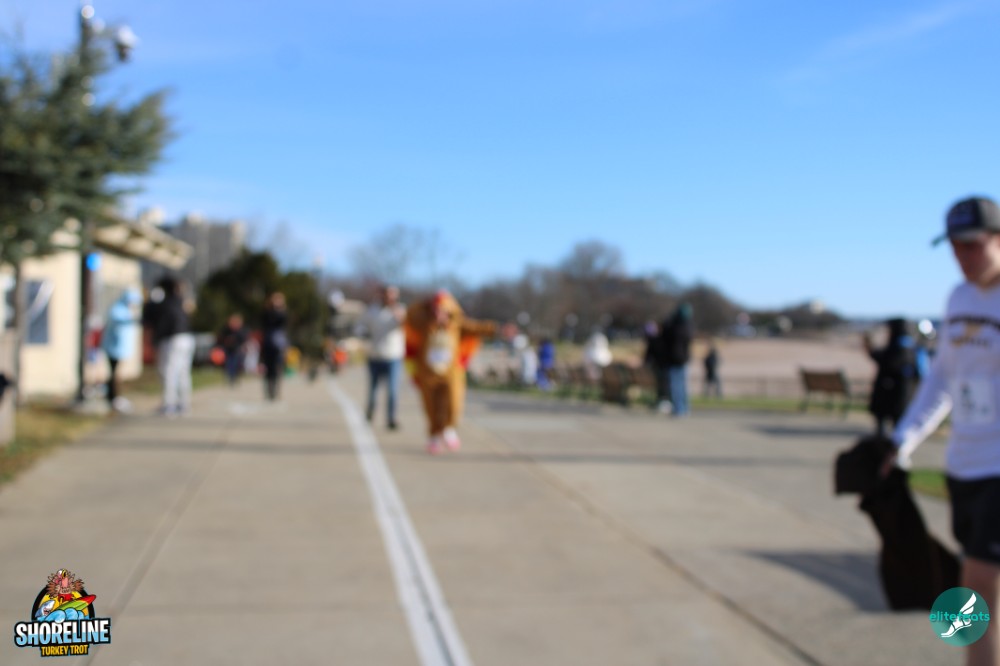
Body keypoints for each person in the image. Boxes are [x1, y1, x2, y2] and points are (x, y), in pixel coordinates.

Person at [885, 196, 1000, 666]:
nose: (962, 256)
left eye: (973, 245)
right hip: (963, 464)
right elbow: (941, 380)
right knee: (977, 585)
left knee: (975, 587)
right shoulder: (958, 298)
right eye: (954, 246)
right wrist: (903, 440)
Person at [404, 290, 496, 454]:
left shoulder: (457, 324)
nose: (438, 313)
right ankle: (434, 436)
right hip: (428, 374)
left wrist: (497, 329)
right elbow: (409, 316)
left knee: (454, 404)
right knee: (431, 407)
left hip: (451, 373)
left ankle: (449, 429)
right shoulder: (423, 323)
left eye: (442, 310)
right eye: (435, 309)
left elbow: (478, 328)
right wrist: (425, 303)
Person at [863, 318, 924, 436]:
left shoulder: (899, 347)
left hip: (891, 394)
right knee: (896, 427)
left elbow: (886, 361)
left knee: (889, 430)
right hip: (903, 395)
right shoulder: (911, 347)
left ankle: (887, 443)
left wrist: (869, 346)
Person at [144, 276, 195, 416]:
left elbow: (149, 319)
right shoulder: (180, 301)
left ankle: (169, 405)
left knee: (169, 372)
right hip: (187, 339)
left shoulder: (163, 303)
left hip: (172, 339)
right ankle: (183, 404)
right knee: (183, 372)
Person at [358, 284, 406, 430]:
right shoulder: (373, 311)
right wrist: (363, 333)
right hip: (375, 355)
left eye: (393, 295)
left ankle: (391, 418)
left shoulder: (400, 310)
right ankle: (370, 412)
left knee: (392, 391)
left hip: (393, 356)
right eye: (387, 294)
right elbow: (361, 325)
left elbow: (404, 324)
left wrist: (395, 310)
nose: (389, 297)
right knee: (373, 390)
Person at [101, 288, 142, 413]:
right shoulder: (117, 309)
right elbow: (119, 321)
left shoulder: (126, 310)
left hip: (120, 348)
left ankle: (114, 397)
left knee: (117, 373)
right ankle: (113, 397)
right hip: (113, 347)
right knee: (114, 374)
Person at [660, 302, 694, 417]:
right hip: (683, 359)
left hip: (674, 359)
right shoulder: (687, 327)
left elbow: (665, 336)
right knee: (683, 386)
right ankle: (684, 408)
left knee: (676, 386)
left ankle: (679, 408)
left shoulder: (674, 326)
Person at [260, 292, 289, 401]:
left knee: (278, 367)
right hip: (268, 343)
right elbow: (265, 323)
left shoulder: (283, 313)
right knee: (269, 368)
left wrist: (279, 310)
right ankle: (269, 389)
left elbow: (283, 322)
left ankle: (276, 390)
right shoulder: (267, 312)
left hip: (279, 344)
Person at [217, 313, 249, 387]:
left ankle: (234, 377)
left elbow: (243, 339)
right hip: (228, 349)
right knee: (229, 363)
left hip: (237, 349)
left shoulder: (240, 330)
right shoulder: (226, 329)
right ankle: (230, 377)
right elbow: (221, 338)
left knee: (236, 363)